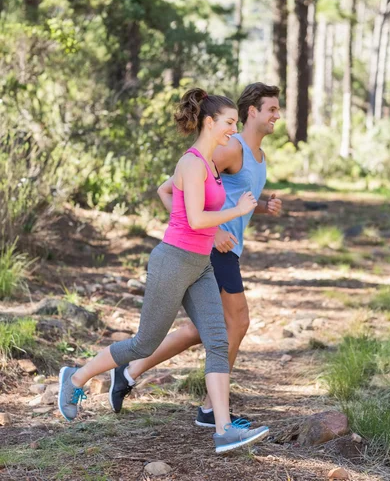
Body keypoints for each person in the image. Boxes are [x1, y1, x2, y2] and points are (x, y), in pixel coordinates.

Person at [58, 87, 269, 454]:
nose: (233, 131)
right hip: (173, 261)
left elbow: (190, 205)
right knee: (145, 342)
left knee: (218, 340)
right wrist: (235, 213)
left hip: (200, 264)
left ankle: (223, 429)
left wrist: (251, 208)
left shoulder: (211, 165)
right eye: (229, 123)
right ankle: (76, 377)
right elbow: (199, 217)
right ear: (209, 122)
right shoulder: (190, 163)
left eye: (236, 123)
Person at [110, 83, 282, 428]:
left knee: (202, 329)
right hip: (216, 249)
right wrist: (211, 230)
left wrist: (263, 207)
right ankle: (210, 408)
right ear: (252, 112)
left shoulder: (257, 156)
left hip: (228, 249)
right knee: (238, 322)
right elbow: (175, 187)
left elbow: (230, 197)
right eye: (272, 110)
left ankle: (130, 370)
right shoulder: (230, 149)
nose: (278, 116)